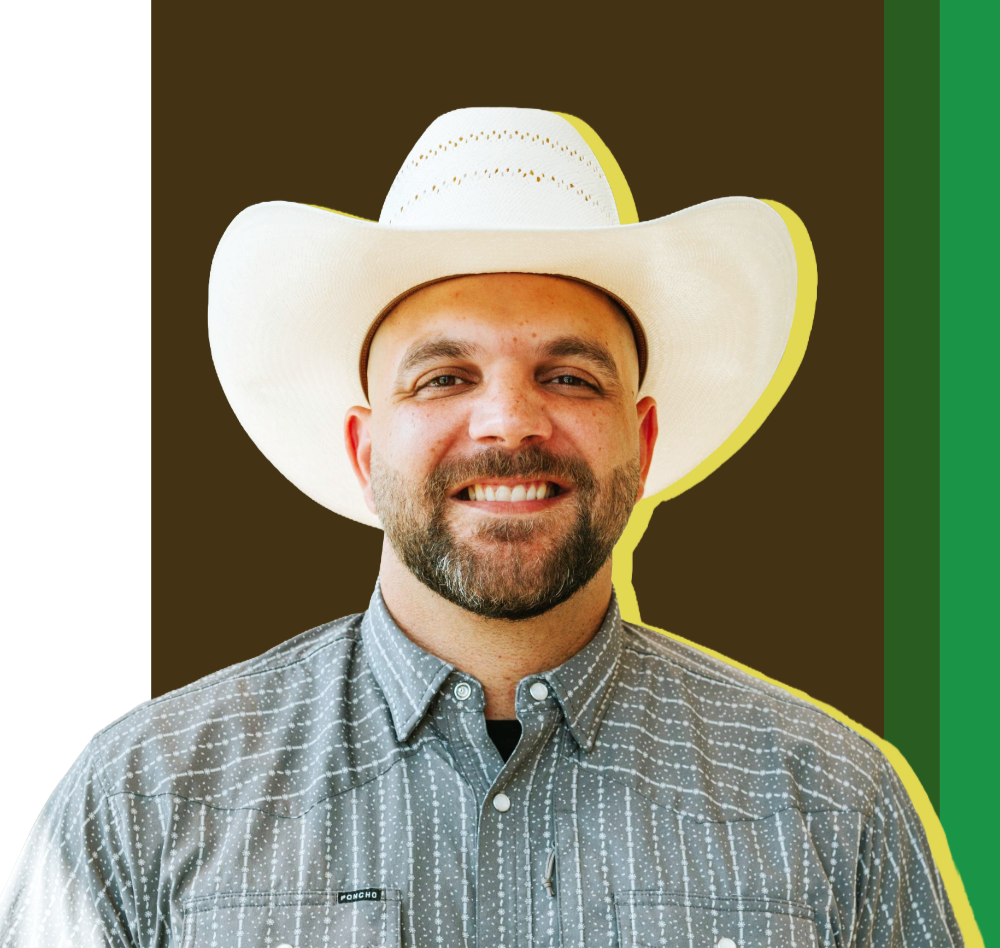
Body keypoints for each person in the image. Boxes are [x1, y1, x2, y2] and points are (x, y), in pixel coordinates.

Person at [1, 108, 969, 947]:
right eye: (444, 378)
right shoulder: (149, 792)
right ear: (362, 445)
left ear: (641, 438)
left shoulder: (828, 797)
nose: (509, 421)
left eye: (569, 376)